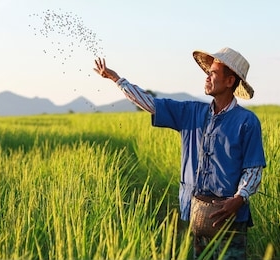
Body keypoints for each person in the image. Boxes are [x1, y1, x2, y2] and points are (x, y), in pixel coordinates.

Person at [94, 47, 266, 259]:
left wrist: (239, 199)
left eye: (213, 73)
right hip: (197, 214)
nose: (207, 77)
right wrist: (117, 79)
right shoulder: (191, 112)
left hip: (231, 218)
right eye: (207, 73)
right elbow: (150, 103)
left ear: (230, 81)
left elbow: (253, 168)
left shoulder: (247, 122)